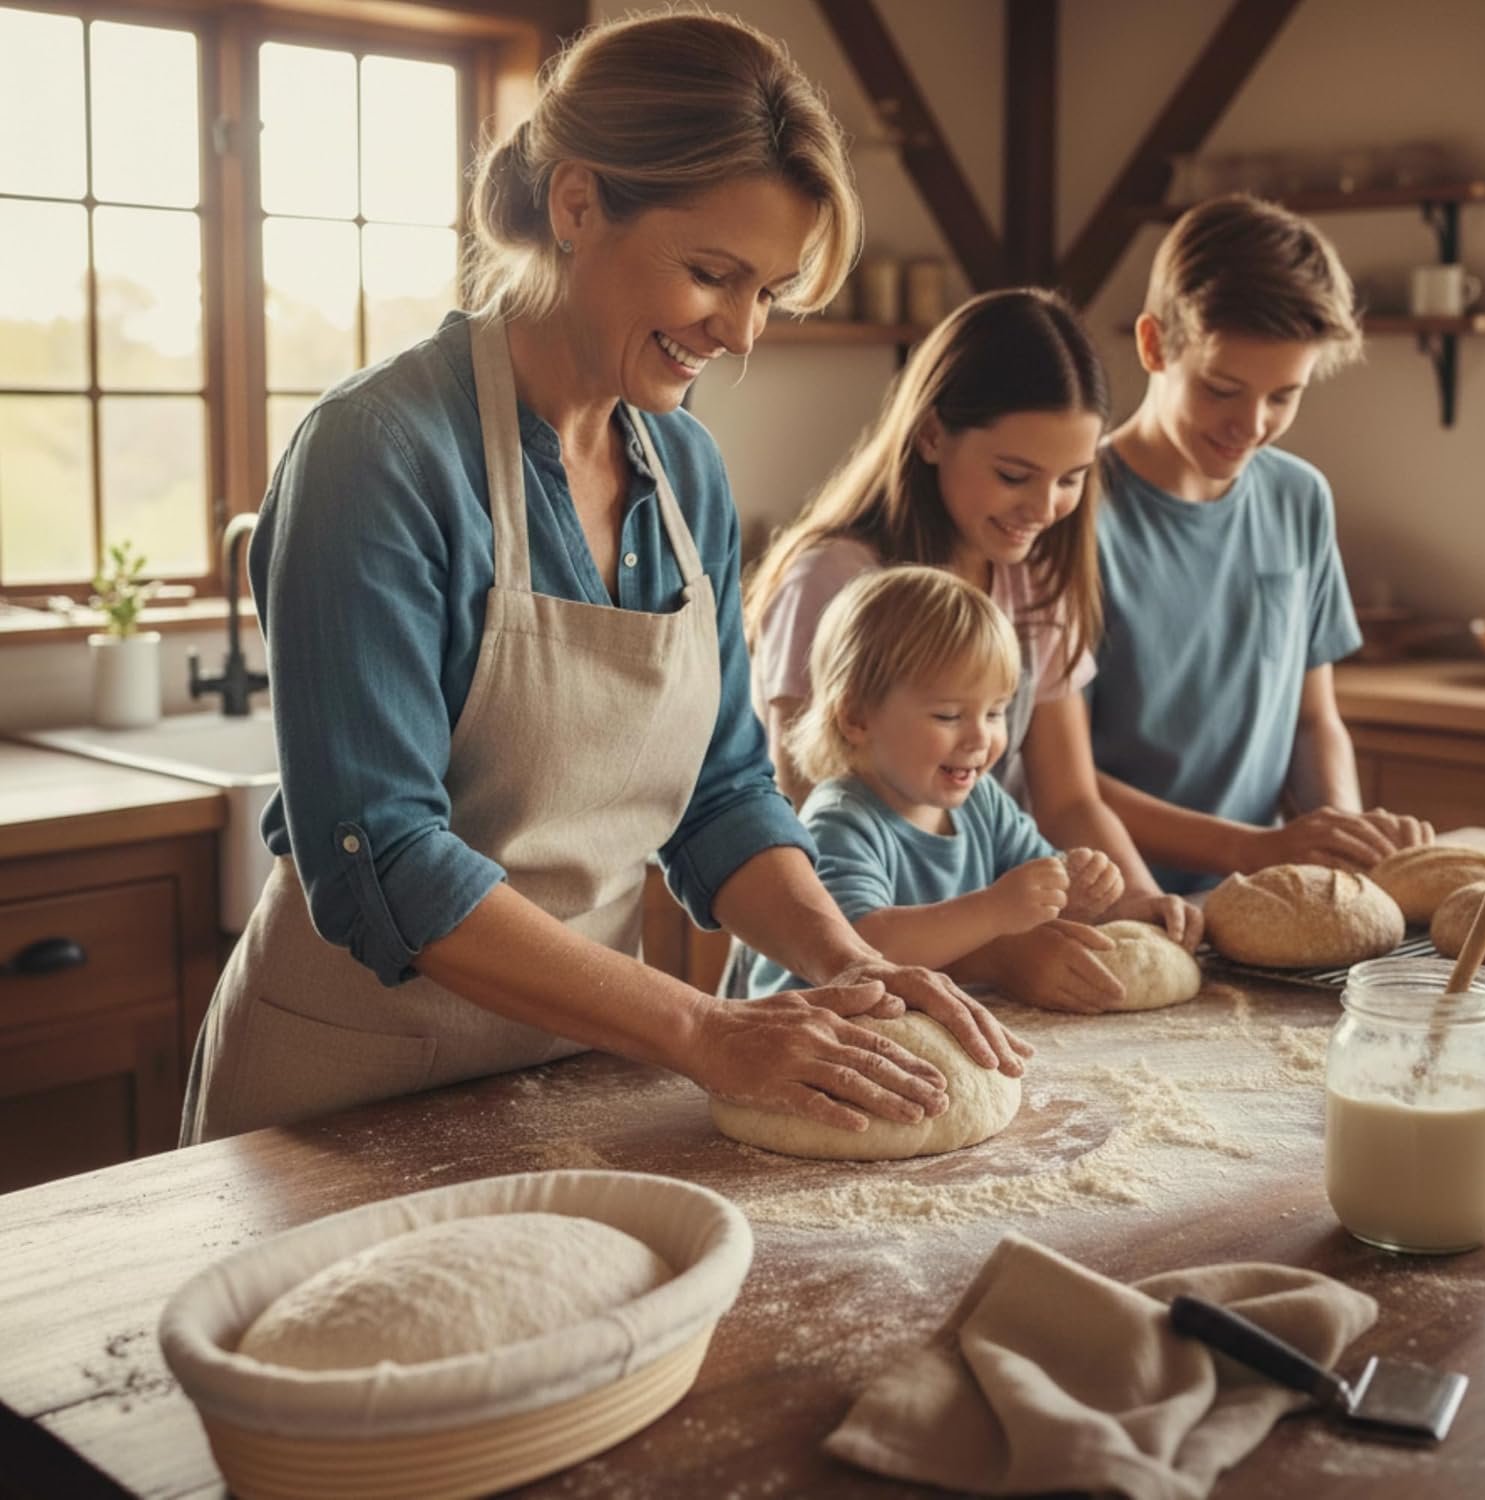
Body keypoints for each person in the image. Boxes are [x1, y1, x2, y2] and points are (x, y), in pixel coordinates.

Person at [180, 9, 1029, 1146]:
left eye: (768, 290)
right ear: (576, 205)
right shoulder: (378, 455)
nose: (740, 331)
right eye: (712, 275)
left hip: (580, 1075)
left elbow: (725, 798)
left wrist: (854, 964)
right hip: (346, 1098)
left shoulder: (685, 472)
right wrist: (702, 1033)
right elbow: (381, 857)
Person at [741, 289, 1200, 1015]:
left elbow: (1071, 798)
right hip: (843, 986)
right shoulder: (835, 580)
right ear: (930, 435)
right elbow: (805, 841)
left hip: (963, 983)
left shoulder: (1034, 575)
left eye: (1073, 478)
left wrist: (1136, 901)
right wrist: (998, 946)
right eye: (1015, 475)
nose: (1045, 508)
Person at [1090, 194, 1433, 894]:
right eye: (1222, 389)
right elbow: (1049, 780)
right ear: (1154, 344)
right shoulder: (1071, 510)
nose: (1251, 423)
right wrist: (1260, 848)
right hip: (1111, 911)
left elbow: (1313, 722)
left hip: (1255, 904)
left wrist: (1339, 828)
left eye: (1284, 396)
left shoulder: (1299, 498)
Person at [743, 567, 1127, 1000]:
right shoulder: (839, 822)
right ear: (856, 718)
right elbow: (860, 950)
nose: (981, 737)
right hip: (812, 1032)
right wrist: (997, 909)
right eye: (948, 716)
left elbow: (1039, 898)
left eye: (996, 712)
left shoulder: (983, 802)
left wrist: (1076, 892)